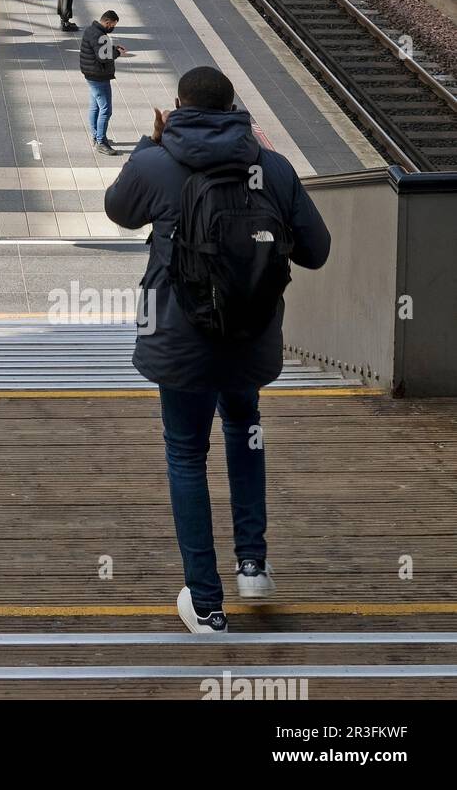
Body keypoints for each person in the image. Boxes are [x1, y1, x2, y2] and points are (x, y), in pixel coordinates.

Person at [103, 65, 331, 635]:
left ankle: (206, 605)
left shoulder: (158, 161)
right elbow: (316, 251)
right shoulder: (269, 166)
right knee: (243, 428)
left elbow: (118, 210)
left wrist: (146, 142)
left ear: (177, 107)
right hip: (247, 337)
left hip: (179, 339)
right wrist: (272, 174)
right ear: (235, 108)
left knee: (186, 455)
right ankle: (252, 566)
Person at [79, 9, 129, 154]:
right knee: (106, 110)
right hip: (98, 77)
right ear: (107, 22)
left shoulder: (91, 30)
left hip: (91, 75)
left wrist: (113, 48)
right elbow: (103, 57)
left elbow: (99, 49)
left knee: (95, 107)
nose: (113, 27)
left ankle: (96, 136)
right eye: (113, 24)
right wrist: (117, 53)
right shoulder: (100, 35)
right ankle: (101, 142)